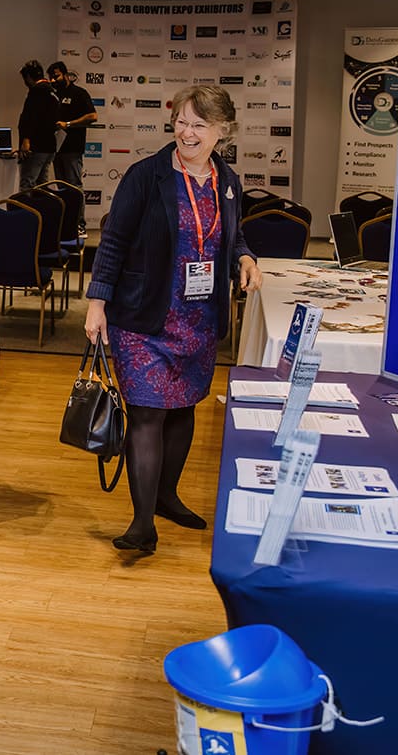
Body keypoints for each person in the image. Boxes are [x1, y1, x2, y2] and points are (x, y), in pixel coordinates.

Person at [84, 85, 262, 556]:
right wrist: (97, 301)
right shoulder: (147, 176)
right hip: (144, 317)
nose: (187, 132)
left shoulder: (227, 180)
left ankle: (166, 497)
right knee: (147, 413)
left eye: (199, 125)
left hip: (198, 319)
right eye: (181, 122)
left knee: (183, 409)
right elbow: (114, 240)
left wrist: (244, 257)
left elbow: (232, 235)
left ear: (222, 131)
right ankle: (142, 524)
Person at [48, 59, 99, 192]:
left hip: (72, 149)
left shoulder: (79, 93)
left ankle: (78, 207)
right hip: (56, 149)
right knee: (61, 187)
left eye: (56, 77)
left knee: (74, 187)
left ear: (65, 75)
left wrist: (68, 124)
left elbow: (93, 116)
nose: (53, 80)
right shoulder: (53, 95)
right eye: (51, 78)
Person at [16, 58, 60, 189]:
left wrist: (26, 140)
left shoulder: (37, 91)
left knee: (27, 185)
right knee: (42, 186)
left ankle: (26, 204)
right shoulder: (52, 91)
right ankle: (42, 203)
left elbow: (32, 117)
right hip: (49, 146)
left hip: (36, 146)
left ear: (28, 77)